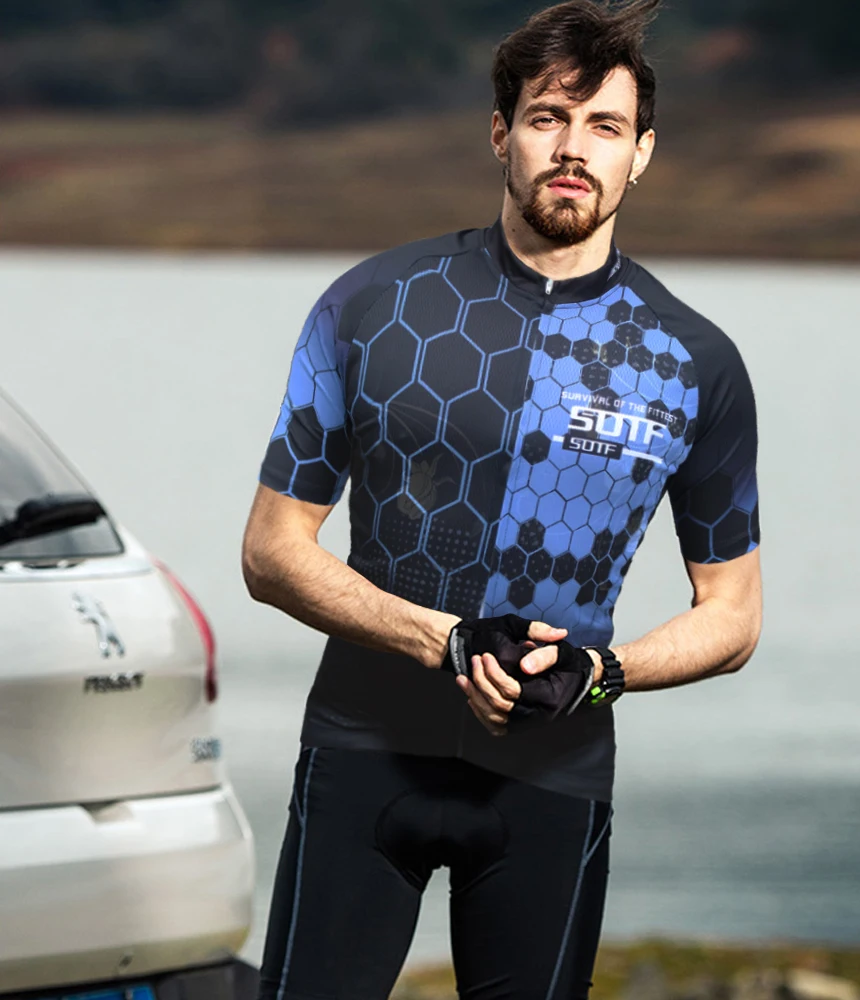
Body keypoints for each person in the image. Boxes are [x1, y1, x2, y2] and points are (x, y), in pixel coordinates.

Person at [242, 0, 762, 996]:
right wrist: (443, 641)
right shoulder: (373, 306)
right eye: (546, 118)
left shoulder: (693, 362)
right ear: (500, 133)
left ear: (642, 153)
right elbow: (271, 552)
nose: (573, 149)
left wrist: (602, 672)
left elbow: (733, 616)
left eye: (604, 125)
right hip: (362, 753)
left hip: (553, 780)